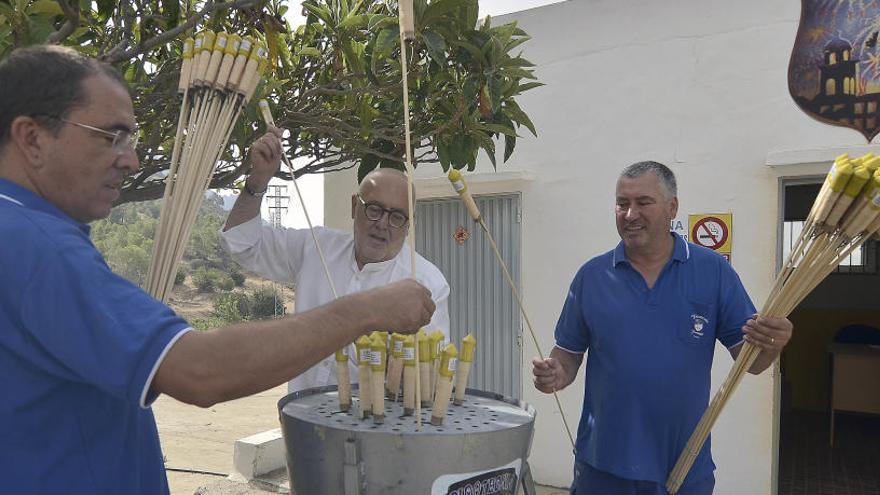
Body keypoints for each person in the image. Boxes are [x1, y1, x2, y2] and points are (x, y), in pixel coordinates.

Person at [0, 44, 435, 495]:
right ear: (32, 139)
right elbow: (200, 370)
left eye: (397, 216)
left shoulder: (31, 233)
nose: (131, 159)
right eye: (111, 136)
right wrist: (363, 312)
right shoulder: (35, 245)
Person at [531, 161, 793, 495]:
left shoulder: (713, 272)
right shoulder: (592, 277)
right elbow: (567, 355)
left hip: (683, 468)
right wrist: (554, 374)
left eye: (643, 202)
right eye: (622, 203)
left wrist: (772, 344)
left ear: (672, 207)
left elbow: (752, 363)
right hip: (602, 465)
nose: (630, 214)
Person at [221, 160, 450, 393]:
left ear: (408, 225)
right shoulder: (315, 248)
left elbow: (429, 379)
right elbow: (241, 243)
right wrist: (256, 182)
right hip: (301, 416)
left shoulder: (426, 282)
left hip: (378, 426)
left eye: (396, 217)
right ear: (354, 206)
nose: (382, 224)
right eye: (374, 209)